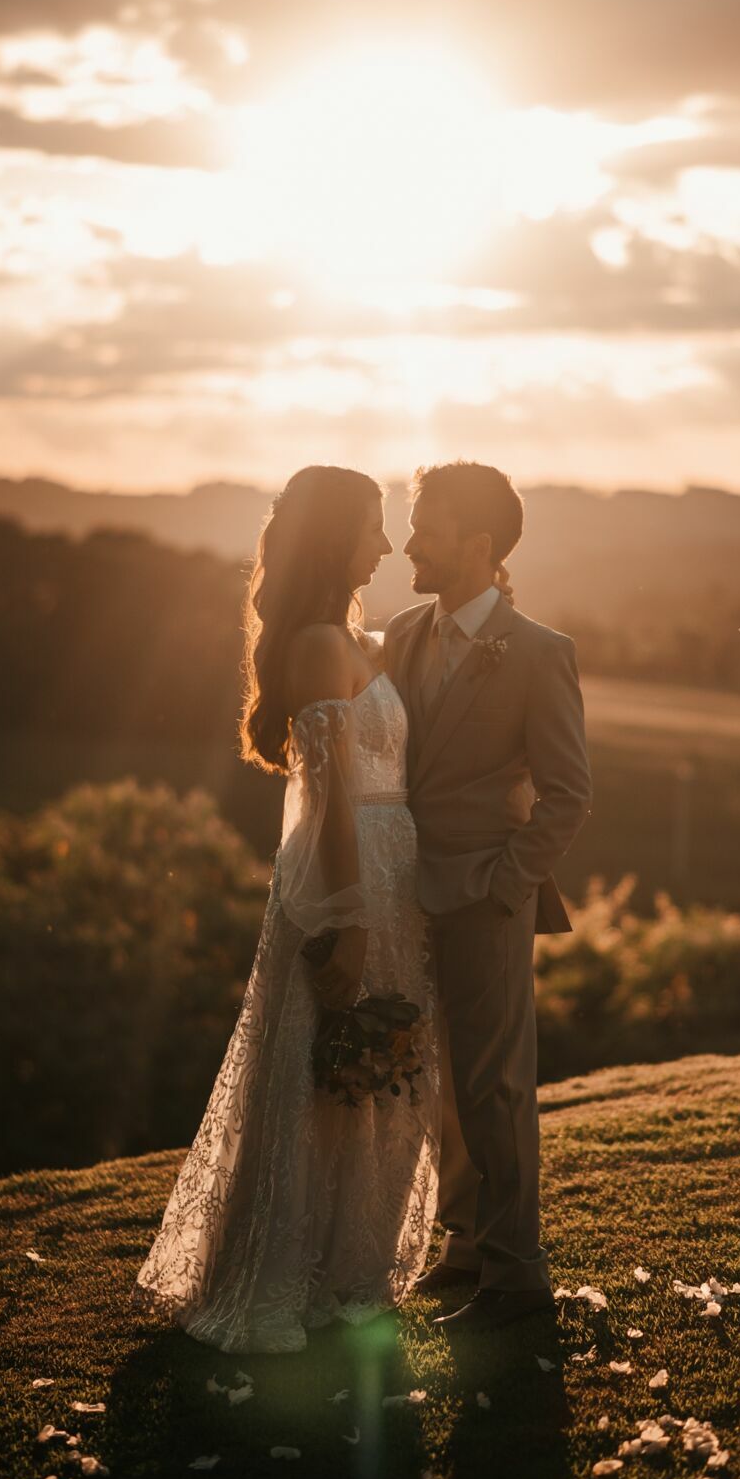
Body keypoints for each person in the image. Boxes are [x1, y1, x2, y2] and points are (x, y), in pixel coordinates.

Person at [131, 466, 440, 1354]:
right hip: (351, 875)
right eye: (374, 527)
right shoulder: (313, 645)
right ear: (333, 537)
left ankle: (350, 1267)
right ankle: (287, 1273)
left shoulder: (352, 637)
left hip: (393, 871)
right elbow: (335, 795)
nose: (385, 545)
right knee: (325, 1065)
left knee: (376, 1065)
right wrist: (345, 918)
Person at [384, 461, 592, 1334]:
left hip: (486, 896)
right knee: (437, 1083)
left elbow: (568, 794)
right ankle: (465, 1245)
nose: (406, 542)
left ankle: (516, 1274)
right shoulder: (400, 632)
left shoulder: (540, 652)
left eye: (424, 526)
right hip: (403, 894)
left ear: (477, 546)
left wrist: (508, 885)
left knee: (495, 1085)